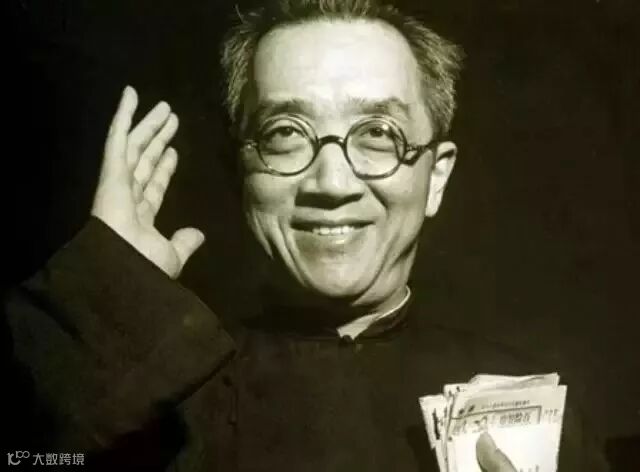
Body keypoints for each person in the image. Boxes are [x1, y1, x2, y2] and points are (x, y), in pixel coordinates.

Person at [4, 0, 609, 470]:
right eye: (285, 133)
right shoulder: (147, 396)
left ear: (436, 178)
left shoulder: (545, 416)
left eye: (379, 134)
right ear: (243, 172)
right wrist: (102, 302)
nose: (331, 182)